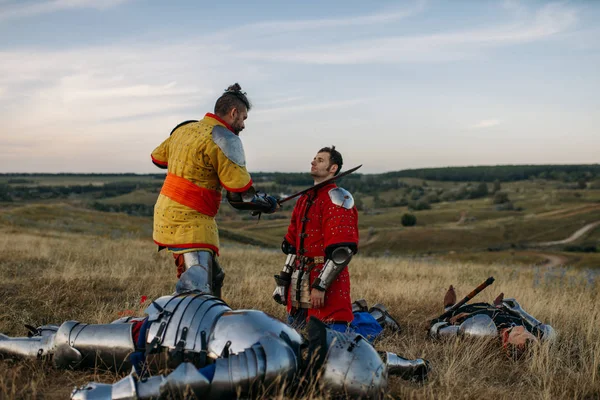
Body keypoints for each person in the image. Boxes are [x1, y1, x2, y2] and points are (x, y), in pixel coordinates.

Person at [0, 292, 430, 399]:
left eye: (349, 344)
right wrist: (406, 364)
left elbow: (190, 382)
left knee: (66, 343)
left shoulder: (277, 360)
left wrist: (113, 393)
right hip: (188, 308)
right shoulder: (301, 344)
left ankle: (5, 342)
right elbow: (366, 358)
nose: (349, 336)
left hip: (157, 334)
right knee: (67, 333)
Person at [150, 83, 278, 296]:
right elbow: (240, 197)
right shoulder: (225, 139)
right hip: (191, 221)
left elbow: (157, 158)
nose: (243, 125)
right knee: (198, 292)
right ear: (233, 112)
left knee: (215, 277)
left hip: (165, 213)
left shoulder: (185, 129)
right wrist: (267, 203)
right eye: (243, 118)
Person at [271, 146, 400, 336]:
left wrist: (320, 286)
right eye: (314, 158)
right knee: (294, 334)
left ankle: (377, 318)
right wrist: (282, 283)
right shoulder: (304, 199)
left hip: (326, 281)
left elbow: (342, 251)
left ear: (333, 168)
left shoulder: (338, 198)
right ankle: (367, 314)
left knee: (335, 340)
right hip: (299, 280)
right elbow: (292, 247)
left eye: (320, 160)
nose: (313, 162)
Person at [428, 285, 556, 357]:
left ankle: (449, 306)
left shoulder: (484, 331)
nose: (521, 328)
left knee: (451, 306)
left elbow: (440, 331)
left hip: (473, 313)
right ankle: (497, 306)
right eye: (526, 331)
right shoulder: (538, 334)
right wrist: (518, 310)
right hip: (496, 310)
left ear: (506, 342)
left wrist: (438, 324)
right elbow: (545, 330)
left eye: (518, 334)